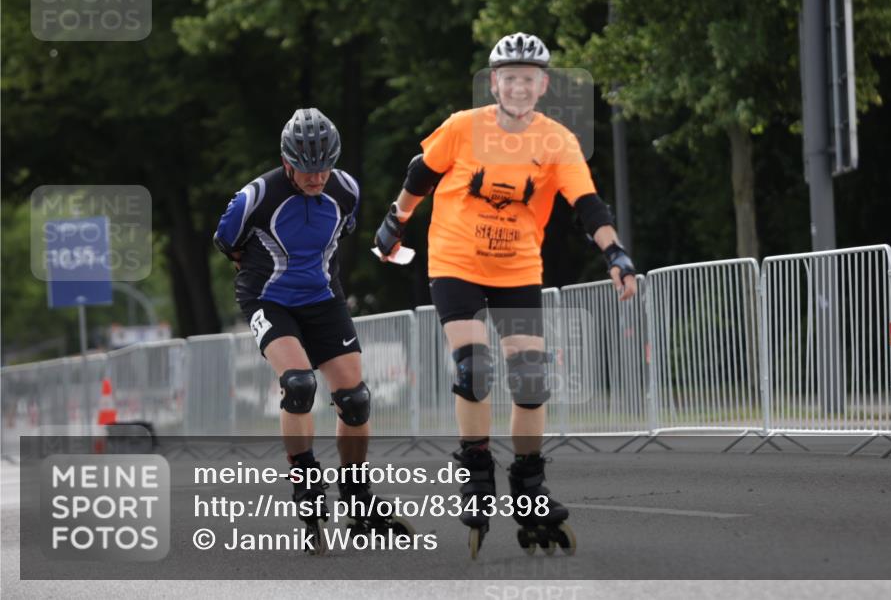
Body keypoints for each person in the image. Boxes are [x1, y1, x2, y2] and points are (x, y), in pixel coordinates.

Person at [374, 33, 637, 557]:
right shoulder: (462, 127)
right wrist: (395, 219)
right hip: (456, 261)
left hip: (517, 264)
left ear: (542, 85)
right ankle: (475, 475)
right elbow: (420, 174)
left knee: (532, 378)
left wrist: (615, 254)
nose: (518, 86)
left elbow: (587, 205)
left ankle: (528, 484)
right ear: (495, 83)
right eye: (508, 77)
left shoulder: (557, 140)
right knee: (474, 367)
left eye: (528, 78)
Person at [214, 107, 410, 553]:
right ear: (287, 162)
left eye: (324, 168)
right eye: (307, 170)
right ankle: (306, 486)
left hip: (323, 299)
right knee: (299, 385)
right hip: (269, 299)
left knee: (355, 400)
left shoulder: (346, 190)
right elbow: (227, 242)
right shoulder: (256, 196)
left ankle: (357, 498)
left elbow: (340, 236)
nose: (317, 178)